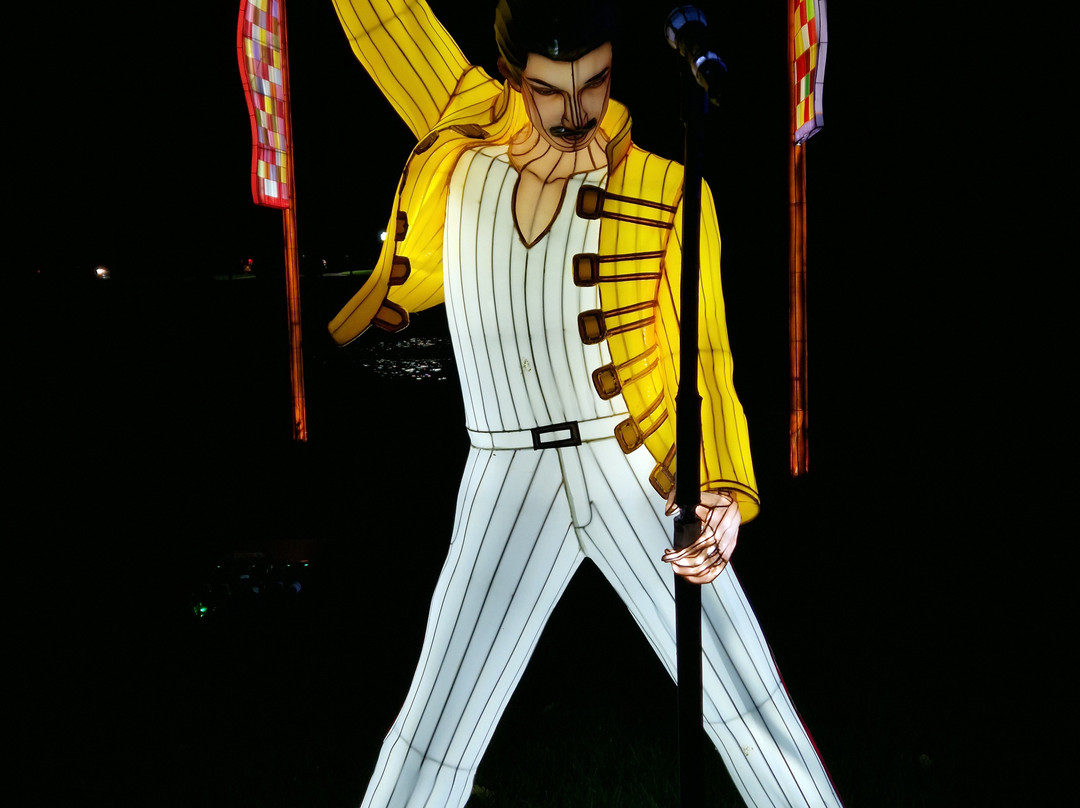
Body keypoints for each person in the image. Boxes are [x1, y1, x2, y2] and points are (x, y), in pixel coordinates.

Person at [327, 1, 843, 805]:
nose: (574, 111)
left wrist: (722, 491)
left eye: (594, 82)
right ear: (512, 77)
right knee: (433, 727)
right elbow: (386, 23)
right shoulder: (463, 127)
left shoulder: (667, 191)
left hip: (630, 463)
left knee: (746, 697)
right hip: (502, 473)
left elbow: (705, 355)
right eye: (548, 89)